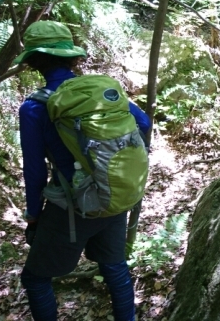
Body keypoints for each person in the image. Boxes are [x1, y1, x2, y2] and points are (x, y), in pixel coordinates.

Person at [15, 20, 150, 321]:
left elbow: (34, 171)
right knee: (114, 267)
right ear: (70, 57)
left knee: (35, 279)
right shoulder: (100, 92)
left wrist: (34, 215)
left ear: (34, 61)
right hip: (113, 193)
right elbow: (144, 124)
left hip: (72, 206)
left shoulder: (34, 108)